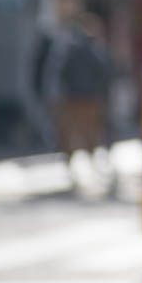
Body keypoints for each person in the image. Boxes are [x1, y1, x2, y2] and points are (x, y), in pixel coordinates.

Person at [49, 15, 112, 168]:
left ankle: (72, 159)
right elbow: (103, 73)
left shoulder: (71, 50)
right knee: (90, 131)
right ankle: (91, 159)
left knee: (72, 131)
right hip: (89, 97)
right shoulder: (95, 51)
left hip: (74, 97)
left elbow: (62, 72)